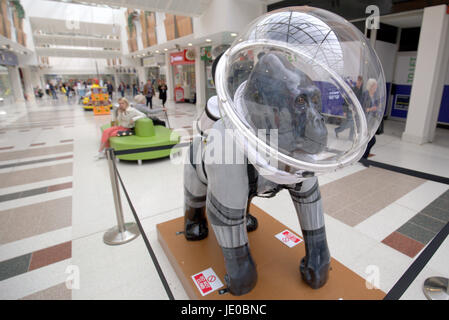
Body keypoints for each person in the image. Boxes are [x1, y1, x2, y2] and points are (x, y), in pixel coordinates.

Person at [334, 76, 363, 140]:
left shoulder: (361, 91)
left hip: (356, 111)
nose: (359, 83)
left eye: (360, 82)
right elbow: (346, 100)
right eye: (358, 81)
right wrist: (344, 110)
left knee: (353, 125)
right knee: (348, 124)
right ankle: (337, 130)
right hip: (350, 110)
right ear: (357, 81)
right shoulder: (353, 90)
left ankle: (350, 137)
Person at [360, 78, 379, 165]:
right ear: (371, 86)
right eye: (375, 86)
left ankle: (364, 156)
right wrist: (370, 109)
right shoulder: (365, 94)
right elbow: (362, 107)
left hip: (372, 120)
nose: (376, 88)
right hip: (365, 120)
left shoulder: (374, 95)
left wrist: (376, 108)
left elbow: (377, 105)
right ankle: (364, 158)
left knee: (369, 140)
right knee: (371, 140)